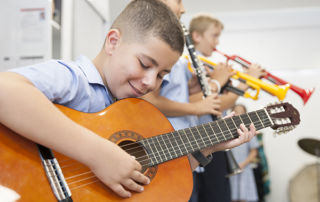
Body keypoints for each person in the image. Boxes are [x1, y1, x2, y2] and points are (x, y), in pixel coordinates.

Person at [0, 0, 256, 199]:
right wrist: (99, 154)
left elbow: (154, 181)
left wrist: (207, 147)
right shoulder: (75, 79)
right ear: (113, 42)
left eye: (162, 76)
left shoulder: (132, 113)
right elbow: (5, 90)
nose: (150, 82)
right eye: (145, 64)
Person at [186, 14, 266, 202]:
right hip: (202, 142)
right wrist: (244, 83)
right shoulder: (189, 65)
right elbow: (215, 103)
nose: (217, 42)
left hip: (210, 143)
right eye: (214, 36)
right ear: (197, 36)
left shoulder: (207, 66)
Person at [229, 104, 260, 202]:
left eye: (241, 112)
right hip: (230, 170)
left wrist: (243, 164)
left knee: (244, 197)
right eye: (236, 111)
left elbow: (254, 152)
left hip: (244, 169)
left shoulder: (249, 130)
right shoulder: (227, 131)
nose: (238, 114)